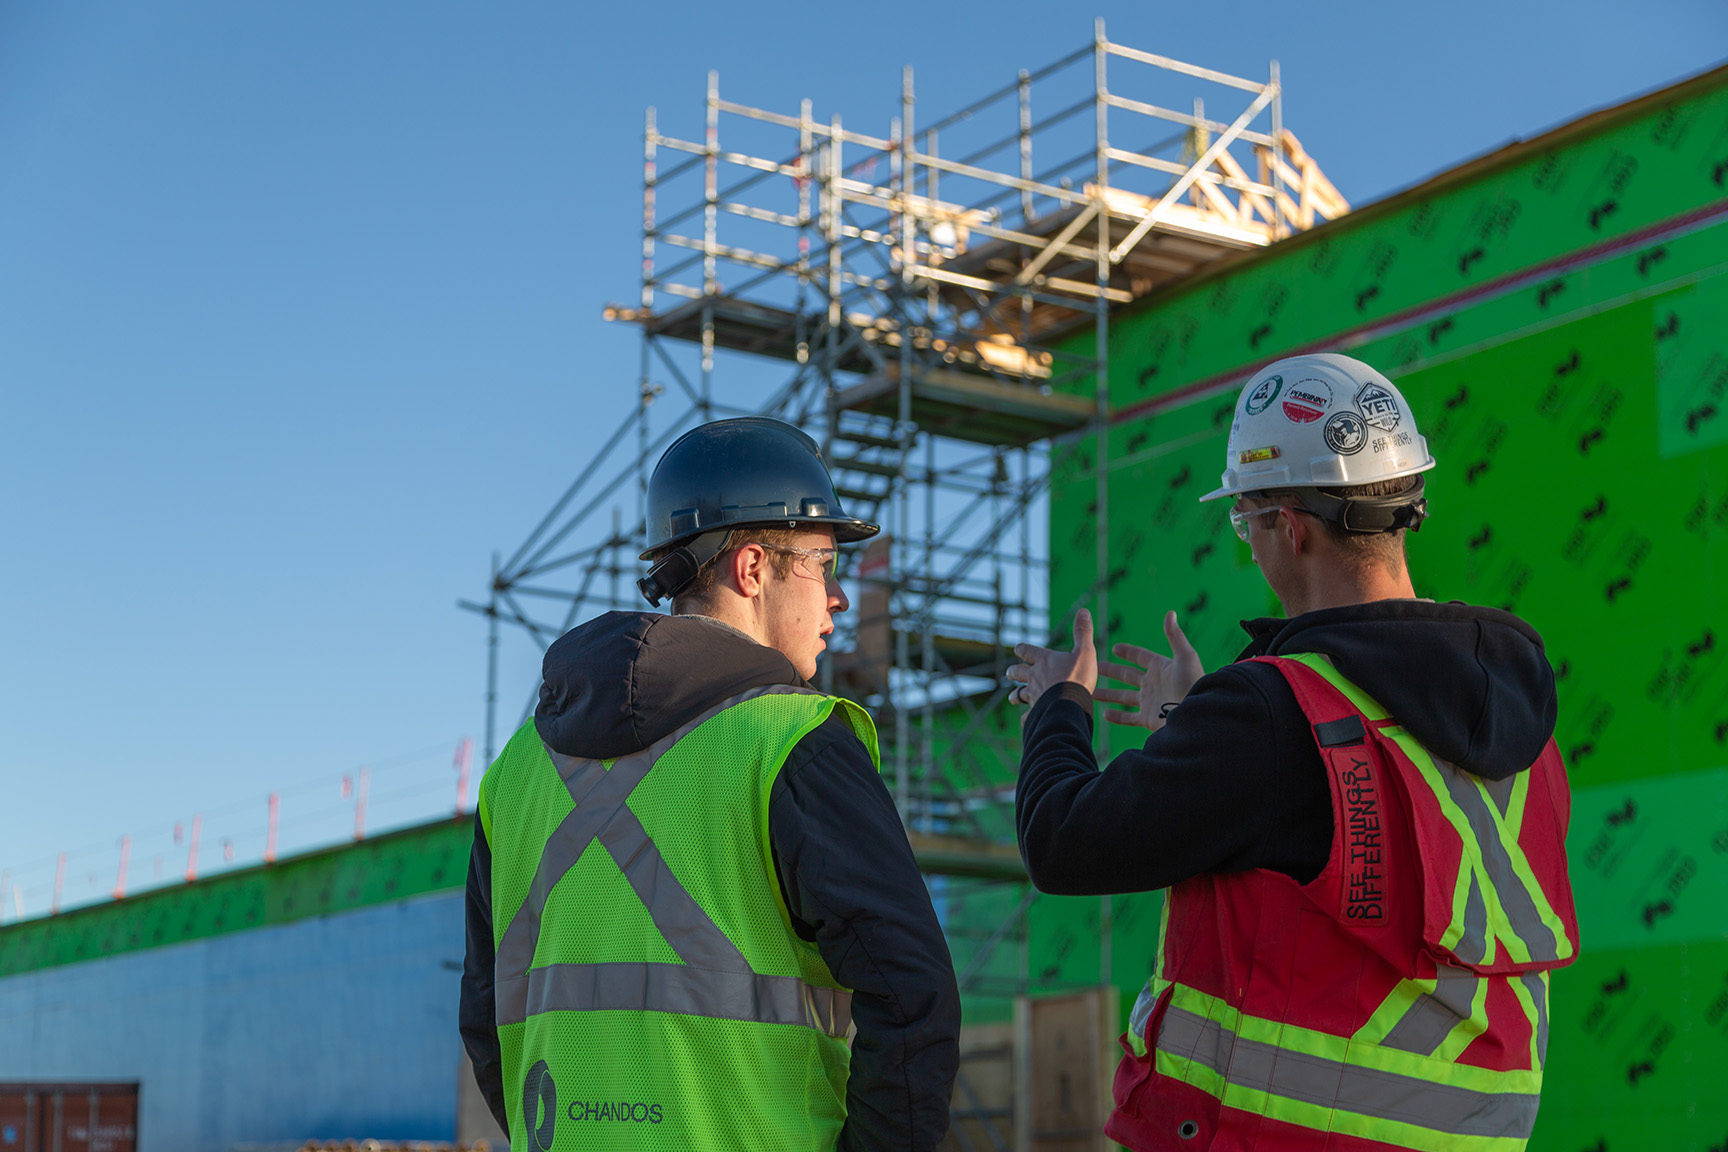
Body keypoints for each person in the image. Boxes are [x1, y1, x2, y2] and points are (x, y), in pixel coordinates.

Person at [1006, 353, 1579, 1151]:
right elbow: (1353, 857)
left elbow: (1064, 843)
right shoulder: (1524, 741)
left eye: (1246, 519)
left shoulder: (1270, 716)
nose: (1250, 542)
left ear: (1291, 524)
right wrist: (1190, 721)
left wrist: (1059, 705)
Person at [460, 416, 960, 1151]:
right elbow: (914, 1000)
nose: (839, 600)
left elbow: (485, 1016)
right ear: (753, 568)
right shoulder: (795, 743)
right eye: (823, 565)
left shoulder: (516, 771)